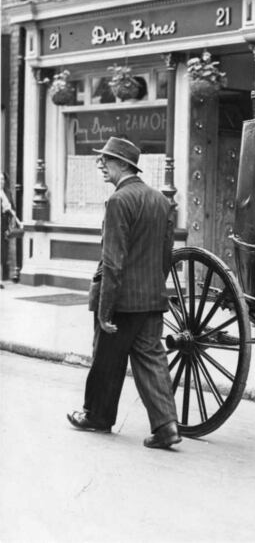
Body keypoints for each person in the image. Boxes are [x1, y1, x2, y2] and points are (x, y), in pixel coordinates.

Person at [67, 136, 180, 449]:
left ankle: (97, 417)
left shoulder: (119, 201)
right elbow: (166, 253)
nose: (101, 165)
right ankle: (167, 426)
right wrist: (155, 285)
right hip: (152, 298)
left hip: (123, 299)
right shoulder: (160, 199)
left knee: (106, 358)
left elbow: (113, 261)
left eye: (107, 160)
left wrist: (104, 311)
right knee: (152, 360)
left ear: (124, 165)